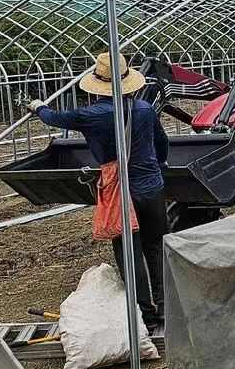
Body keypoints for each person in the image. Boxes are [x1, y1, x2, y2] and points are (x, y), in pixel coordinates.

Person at [30, 54, 171, 330]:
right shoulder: (144, 109)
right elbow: (162, 142)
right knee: (156, 247)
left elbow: (53, 118)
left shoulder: (90, 115)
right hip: (151, 186)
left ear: (98, 84)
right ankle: (166, 308)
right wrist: (161, 163)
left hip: (120, 191)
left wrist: (37, 107)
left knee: (129, 253)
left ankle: (145, 313)